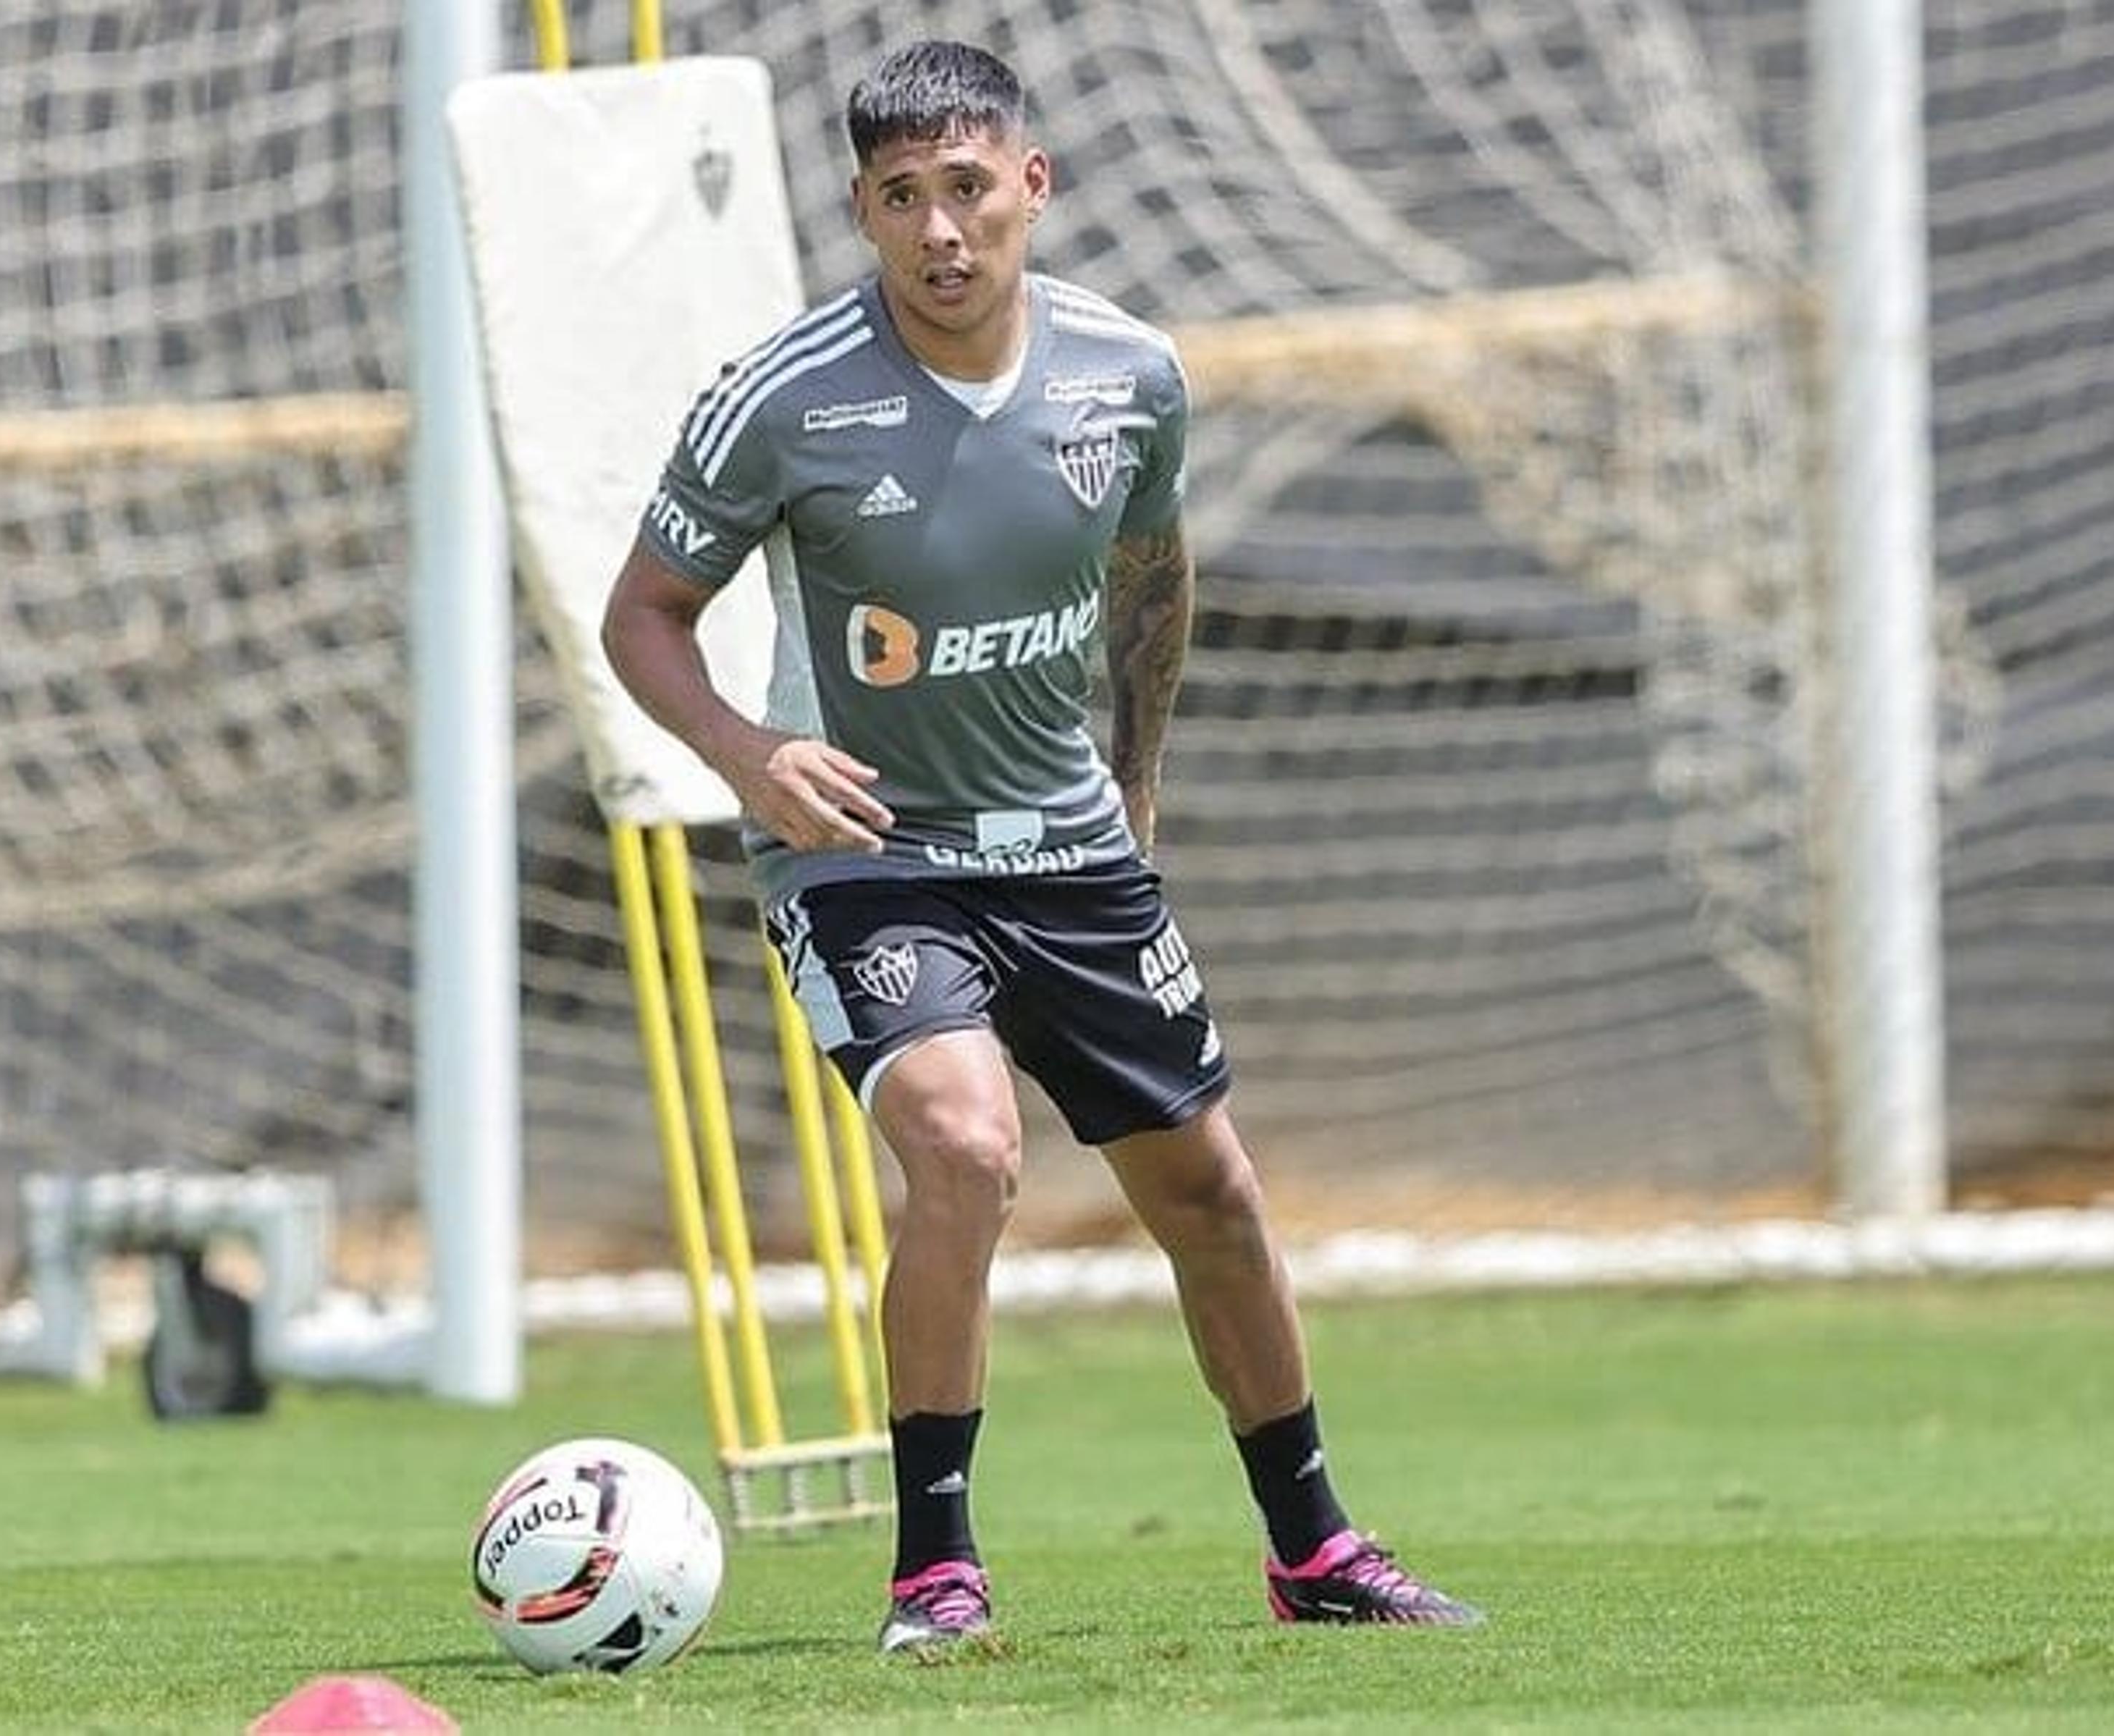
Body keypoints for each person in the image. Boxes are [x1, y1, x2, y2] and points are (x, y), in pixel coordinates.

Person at [602, 38, 1478, 1653]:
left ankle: (1315, 1547)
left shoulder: (1128, 371)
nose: (941, 230)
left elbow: (1154, 573)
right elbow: (643, 618)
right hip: (868, 848)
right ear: (861, 212)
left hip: (1070, 846)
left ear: (1032, 184)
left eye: (967, 189)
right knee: (967, 1143)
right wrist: (747, 752)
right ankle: (936, 1566)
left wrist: (1132, 783)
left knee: (1212, 1193)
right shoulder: (781, 396)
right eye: (900, 198)